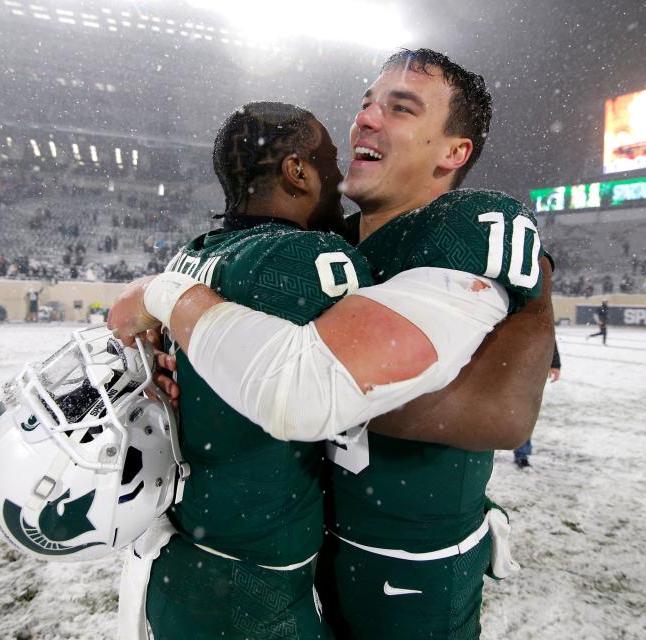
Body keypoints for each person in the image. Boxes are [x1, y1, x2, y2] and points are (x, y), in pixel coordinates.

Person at [112, 49, 555, 640]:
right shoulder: (326, 242)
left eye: (400, 108)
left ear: (454, 152)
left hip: (411, 565)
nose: (365, 120)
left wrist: (220, 367)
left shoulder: (466, 226)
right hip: (314, 556)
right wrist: (194, 371)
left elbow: (502, 416)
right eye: (366, 104)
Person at [513, 341, 561, 469]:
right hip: (499, 365)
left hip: (527, 368)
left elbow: (547, 333)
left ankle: (521, 453)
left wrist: (554, 363)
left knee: (524, 413)